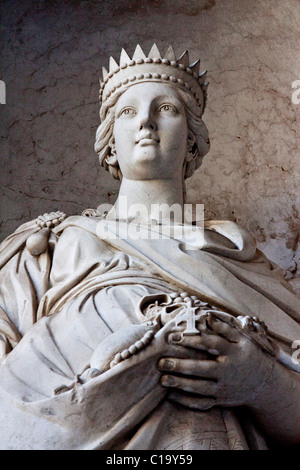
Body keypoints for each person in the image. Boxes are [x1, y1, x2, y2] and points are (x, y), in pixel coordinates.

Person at [0, 44, 299, 450]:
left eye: (167, 109)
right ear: (109, 143)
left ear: (193, 142)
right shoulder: (47, 246)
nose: (145, 121)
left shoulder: (243, 259)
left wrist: (263, 382)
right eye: (127, 112)